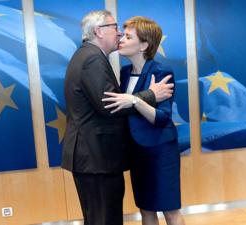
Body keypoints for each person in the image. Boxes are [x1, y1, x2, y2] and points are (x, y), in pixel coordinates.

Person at [62, 11, 174, 225]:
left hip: (97, 157)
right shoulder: (92, 59)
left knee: (100, 217)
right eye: (114, 27)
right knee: (104, 218)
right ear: (98, 31)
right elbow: (110, 106)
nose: (119, 33)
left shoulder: (88, 55)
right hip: (96, 157)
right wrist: (150, 95)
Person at [102, 16, 185, 225]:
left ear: (144, 45)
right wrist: (142, 98)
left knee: (170, 210)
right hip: (136, 152)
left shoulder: (161, 72)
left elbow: (162, 118)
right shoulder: (125, 72)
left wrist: (134, 101)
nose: (121, 39)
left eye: (128, 37)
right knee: (146, 209)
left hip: (160, 152)